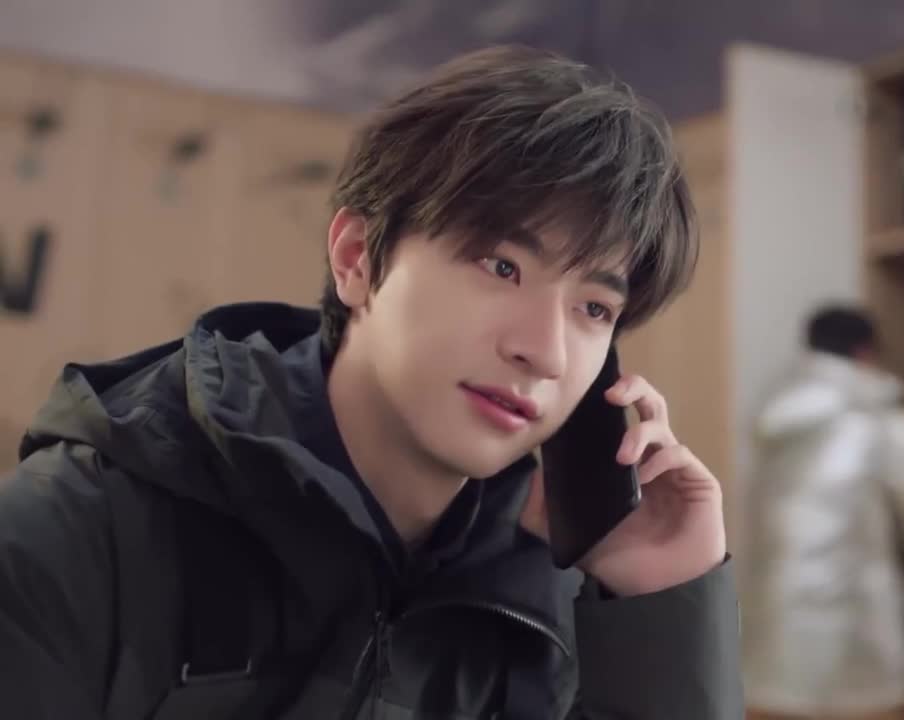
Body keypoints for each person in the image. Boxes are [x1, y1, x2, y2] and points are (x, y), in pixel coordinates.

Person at [0, 46, 742, 719]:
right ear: (357, 258)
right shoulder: (81, 532)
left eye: (594, 308)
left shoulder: (563, 589)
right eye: (501, 266)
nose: (545, 353)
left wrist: (658, 610)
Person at [741, 305, 904, 720]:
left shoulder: (776, 414)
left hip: (776, 605)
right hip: (856, 609)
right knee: (867, 705)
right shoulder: (882, 419)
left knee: (777, 701)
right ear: (865, 352)